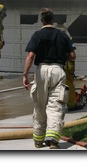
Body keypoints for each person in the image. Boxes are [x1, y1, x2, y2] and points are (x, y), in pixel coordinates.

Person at [22, 8, 76, 149]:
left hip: (41, 71)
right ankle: (52, 140)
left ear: (42, 20)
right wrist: (61, 58)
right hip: (58, 70)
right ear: (53, 20)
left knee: (40, 105)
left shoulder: (37, 35)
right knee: (55, 105)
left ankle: (38, 140)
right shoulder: (62, 35)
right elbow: (72, 55)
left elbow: (30, 56)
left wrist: (25, 75)